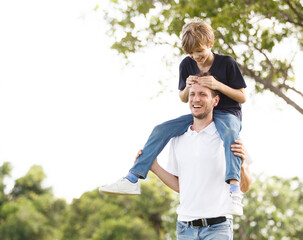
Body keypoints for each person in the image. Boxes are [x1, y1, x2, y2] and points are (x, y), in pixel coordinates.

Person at [99, 19, 247, 214]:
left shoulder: (226, 63)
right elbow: (183, 97)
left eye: (199, 52)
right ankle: (133, 177)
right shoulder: (187, 64)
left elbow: (242, 96)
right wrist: (187, 86)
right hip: (200, 112)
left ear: (210, 44)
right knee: (161, 129)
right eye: (191, 53)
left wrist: (216, 85)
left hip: (227, 113)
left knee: (229, 134)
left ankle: (234, 193)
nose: (196, 57)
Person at [145, 83, 252, 239]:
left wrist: (241, 166)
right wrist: (155, 167)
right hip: (184, 228)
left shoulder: (230, 136)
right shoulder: (177, 138)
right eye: (192, 94)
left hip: (218, 228)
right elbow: (182, 186)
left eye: (203, 94)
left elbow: (246, 186)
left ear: (215, 101)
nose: (196, 99)